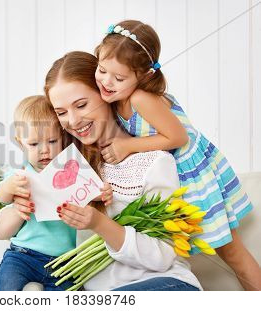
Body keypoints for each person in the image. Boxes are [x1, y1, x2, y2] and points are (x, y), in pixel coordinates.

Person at [93, 20, 260, 290]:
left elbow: (177, 137)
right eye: (102, 70)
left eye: (119, 78)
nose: (107, 82)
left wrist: (127, 147)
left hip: (193, 175)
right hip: (170, 175)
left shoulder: (140, 99)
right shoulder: (115, 97)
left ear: (144, 76)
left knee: (230, 252)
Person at [37, 50, 201, 290]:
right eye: (61, 112)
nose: (72, 121)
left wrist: (99, 223)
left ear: (106, 95)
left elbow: (163, 255)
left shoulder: (154, 162)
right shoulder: (69, 167)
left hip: (165, 286)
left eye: (81, 105)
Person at [0, 95, 112, 291]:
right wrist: (10, 189)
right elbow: (2, 194)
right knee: (7, 287)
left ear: (62, 137)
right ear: (20, 142)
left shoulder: (73, 171)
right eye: (34, 144)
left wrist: (103, 193)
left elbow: (94, 193)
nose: (44, 151)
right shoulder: (22, 175)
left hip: (64, 261)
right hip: (23, 255)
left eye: (51, 141)